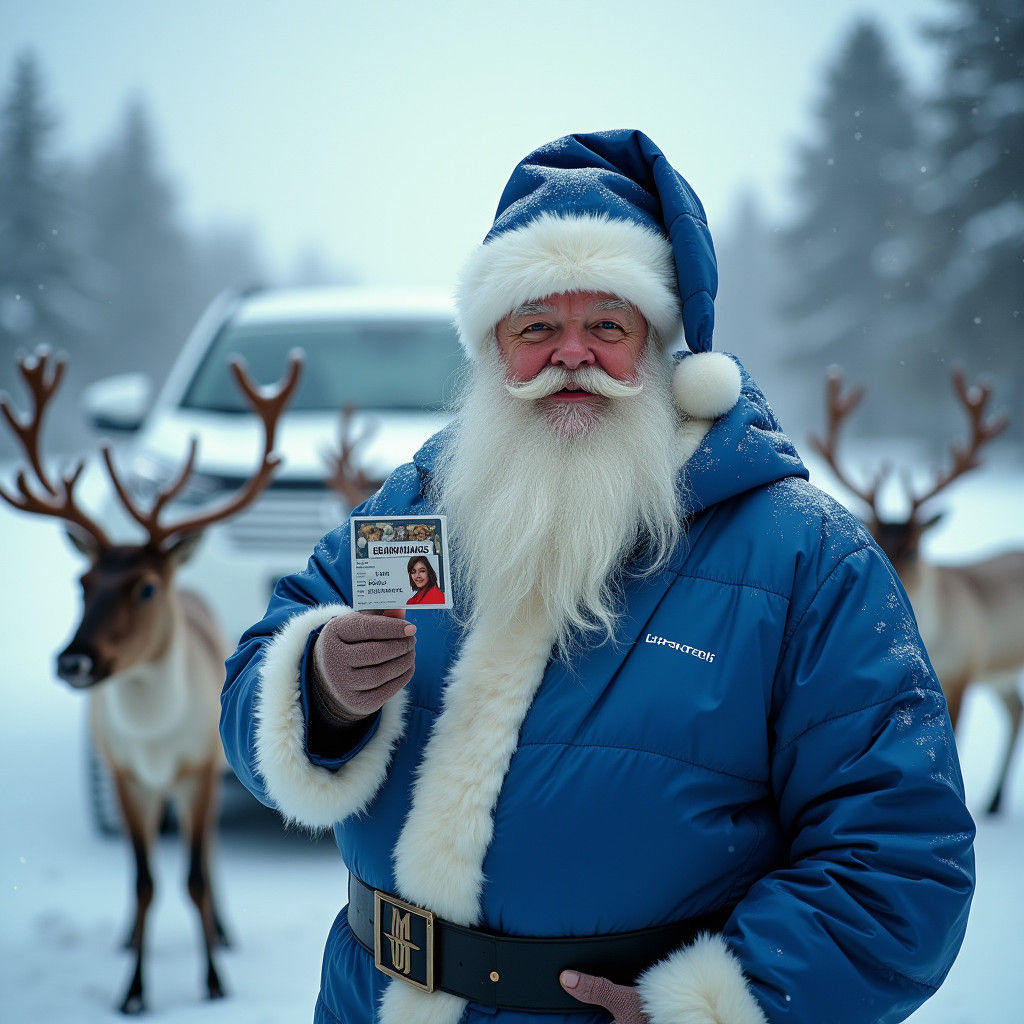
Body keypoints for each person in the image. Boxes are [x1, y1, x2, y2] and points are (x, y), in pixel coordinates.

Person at [221, 130, 975, 1024]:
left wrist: (719, 1005)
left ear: (662, 353)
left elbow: (900, 858)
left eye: (607, 327)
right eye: (536, 326)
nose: (570, 355)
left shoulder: (806, 556)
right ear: (494, 349)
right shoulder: (421, 501)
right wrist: (316, 687)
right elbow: (254, 686)